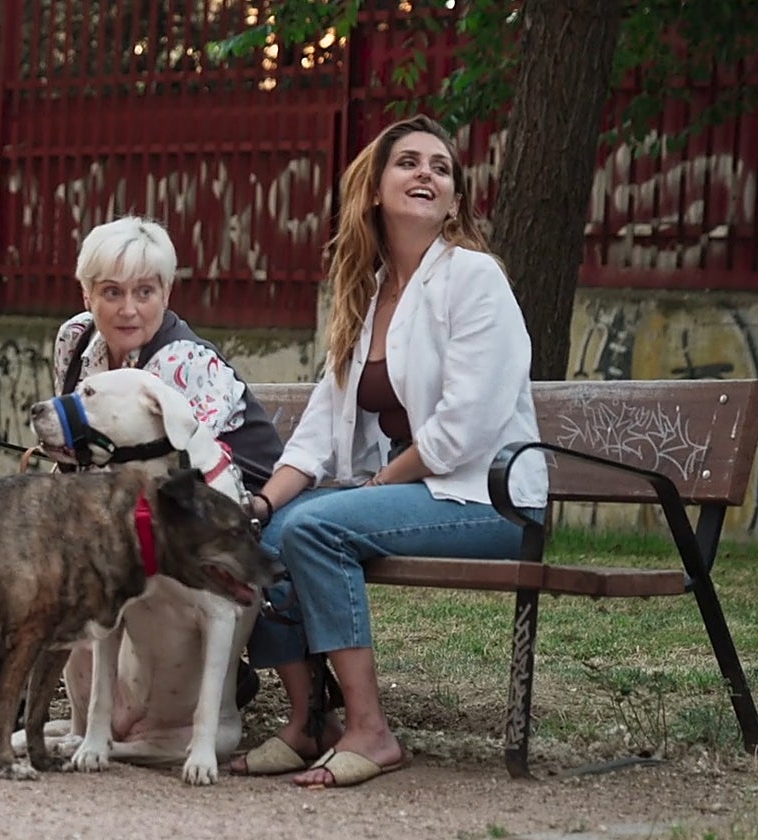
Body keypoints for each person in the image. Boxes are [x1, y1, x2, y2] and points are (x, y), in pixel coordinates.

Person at [227, 114, 549, 788]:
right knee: (276, 532)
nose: (426, 174)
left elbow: (465, 429)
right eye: (408, 162)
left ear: (455, 201)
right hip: (409, 491)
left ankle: (371, 731)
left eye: (440, 167)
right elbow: (316, 434)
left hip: (486, 498)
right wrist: (256, 506)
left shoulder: (474, 279)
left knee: (316, 526)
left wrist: (376, 487)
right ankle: (307, 720)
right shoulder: (367, 296)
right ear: (374, 189)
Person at [0, 215, 285, 737]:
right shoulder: (75, 339)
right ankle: (3, 683)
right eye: (111, 291)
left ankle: (44, 691)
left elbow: (189, 477)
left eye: (145, 291)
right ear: (87, 292)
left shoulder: (182, 362)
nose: (129, 308)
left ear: (166, 291)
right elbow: (78, 445)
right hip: (129, 500)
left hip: (222, 509)